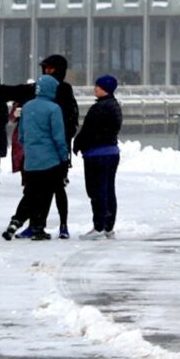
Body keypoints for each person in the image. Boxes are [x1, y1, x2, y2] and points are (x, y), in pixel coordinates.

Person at [0, 55, 81, 236]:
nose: (48, 72)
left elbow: (25, 133)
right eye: (46, 69)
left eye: (51, 68)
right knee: (44, 190)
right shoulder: (50, 103)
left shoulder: (56, 93)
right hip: (52, 152)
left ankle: (30, 223)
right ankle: (38, 225)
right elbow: (63, 128)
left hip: (39, 153)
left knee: (40, 190)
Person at [74, 74, 123, 238]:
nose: (95, 88)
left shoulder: (100, 108)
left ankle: (99, 226)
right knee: (108, 190)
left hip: (97, 154)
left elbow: (89, 130)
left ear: (106, 89)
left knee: (97, 190)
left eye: (99, 86)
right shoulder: (114, 105)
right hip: (111, 152)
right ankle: (108, 226)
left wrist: (78, 143)